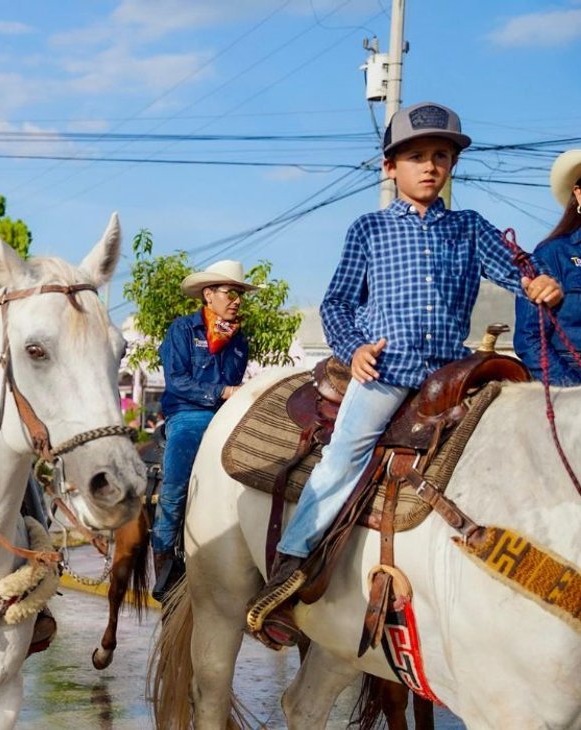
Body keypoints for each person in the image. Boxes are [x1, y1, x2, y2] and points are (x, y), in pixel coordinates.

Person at [248, 102, 563, 649]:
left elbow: (517, 268)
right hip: (388, 371)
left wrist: (537, 283)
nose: (430, 166)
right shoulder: (369, 228)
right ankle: (289, 567)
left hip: (449, 376)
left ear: (451, 167)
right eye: (416, 156)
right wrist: (354, 350)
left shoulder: (468, 228)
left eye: (441, 156)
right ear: (390, 167)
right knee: (345, 454)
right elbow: (339, 302)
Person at [152, 261, 255, 586]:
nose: (236, 300)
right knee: (175, 484)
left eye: (239, 293)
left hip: (224, 414)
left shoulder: (240, 341)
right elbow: (177, 381)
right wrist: (222, 391)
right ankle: (164, 555)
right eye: (230, 293)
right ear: (208, 295)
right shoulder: (182, 330)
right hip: (188, 413)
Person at [514, 149, 581, 385]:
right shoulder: (552, 254)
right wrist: (572, 391)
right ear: (579, 194)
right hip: (570, 382)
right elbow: (529, 339)